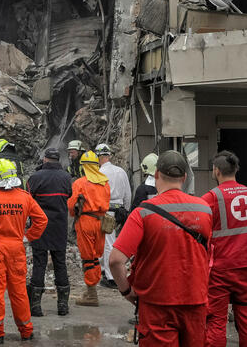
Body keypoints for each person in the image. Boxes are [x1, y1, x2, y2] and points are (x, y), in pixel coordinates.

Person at [108, 150, 213, 347]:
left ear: (156, 175)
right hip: (196, 301)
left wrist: (127, 291)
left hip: (157, 304)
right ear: (184, 177)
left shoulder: (143, 212)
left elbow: (115, 260)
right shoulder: (205, 209)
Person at [0, 158, 48, 344]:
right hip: (16, 248)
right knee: (19, 291)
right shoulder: (24, 197)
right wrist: (28, 237)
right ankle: (26, 331)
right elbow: (42, 220)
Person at [202, 150, 247, 347]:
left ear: (216, 171)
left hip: (219, 271)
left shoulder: (210, 198)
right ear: (236, 169)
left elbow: (200, 235)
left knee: (215, 321)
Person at [26, 147, 74, 317]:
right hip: (59, 227)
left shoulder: (35, 178)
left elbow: (28, 199)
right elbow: (69, 195)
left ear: (45, 159)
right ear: (58, 160)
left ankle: (36, 307)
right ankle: (63, 306)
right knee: (60, 263)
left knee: (39, 263)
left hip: (40, 226)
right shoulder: (66, 178)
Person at [68, 150, 111, 306]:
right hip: (101, 221)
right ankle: (92, 289)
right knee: (96, 256)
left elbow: (72, 205)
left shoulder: (80, 183)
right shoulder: (105, 182)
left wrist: (74, 213)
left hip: (86, 221)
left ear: (84, 167)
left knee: (88, 257)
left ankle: (91, 294)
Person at [95, 144, 131, 288]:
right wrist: (126, 211)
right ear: (109, 155)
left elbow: (97, 194)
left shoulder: (99, 173)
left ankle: (111, 277)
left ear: (98, 157)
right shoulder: (120, 171)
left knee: (107, 243)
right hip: (119, 211)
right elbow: (127, 193)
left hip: (105, 210)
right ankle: (105, 270)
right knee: (111, 241)